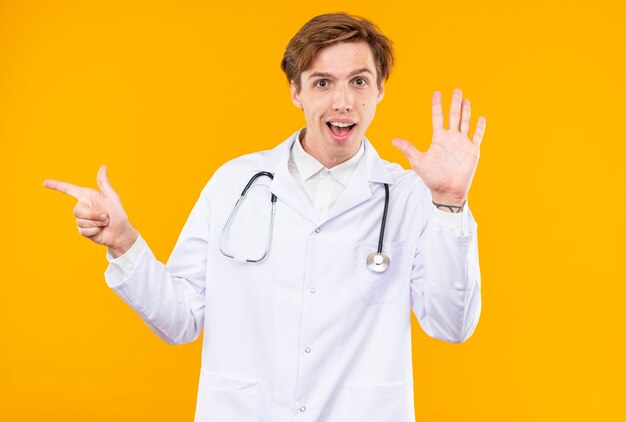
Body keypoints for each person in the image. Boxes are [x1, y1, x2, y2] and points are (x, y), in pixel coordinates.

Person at [45, 12, 486, 422]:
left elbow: (451, 325)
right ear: (295, 91)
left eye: (358, 81)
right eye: (322, 83)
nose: (343, 101)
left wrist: (450, 202)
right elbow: (180, 320)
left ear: (380, 89)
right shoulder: (234, 183)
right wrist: (125, 244)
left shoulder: (410, 195)